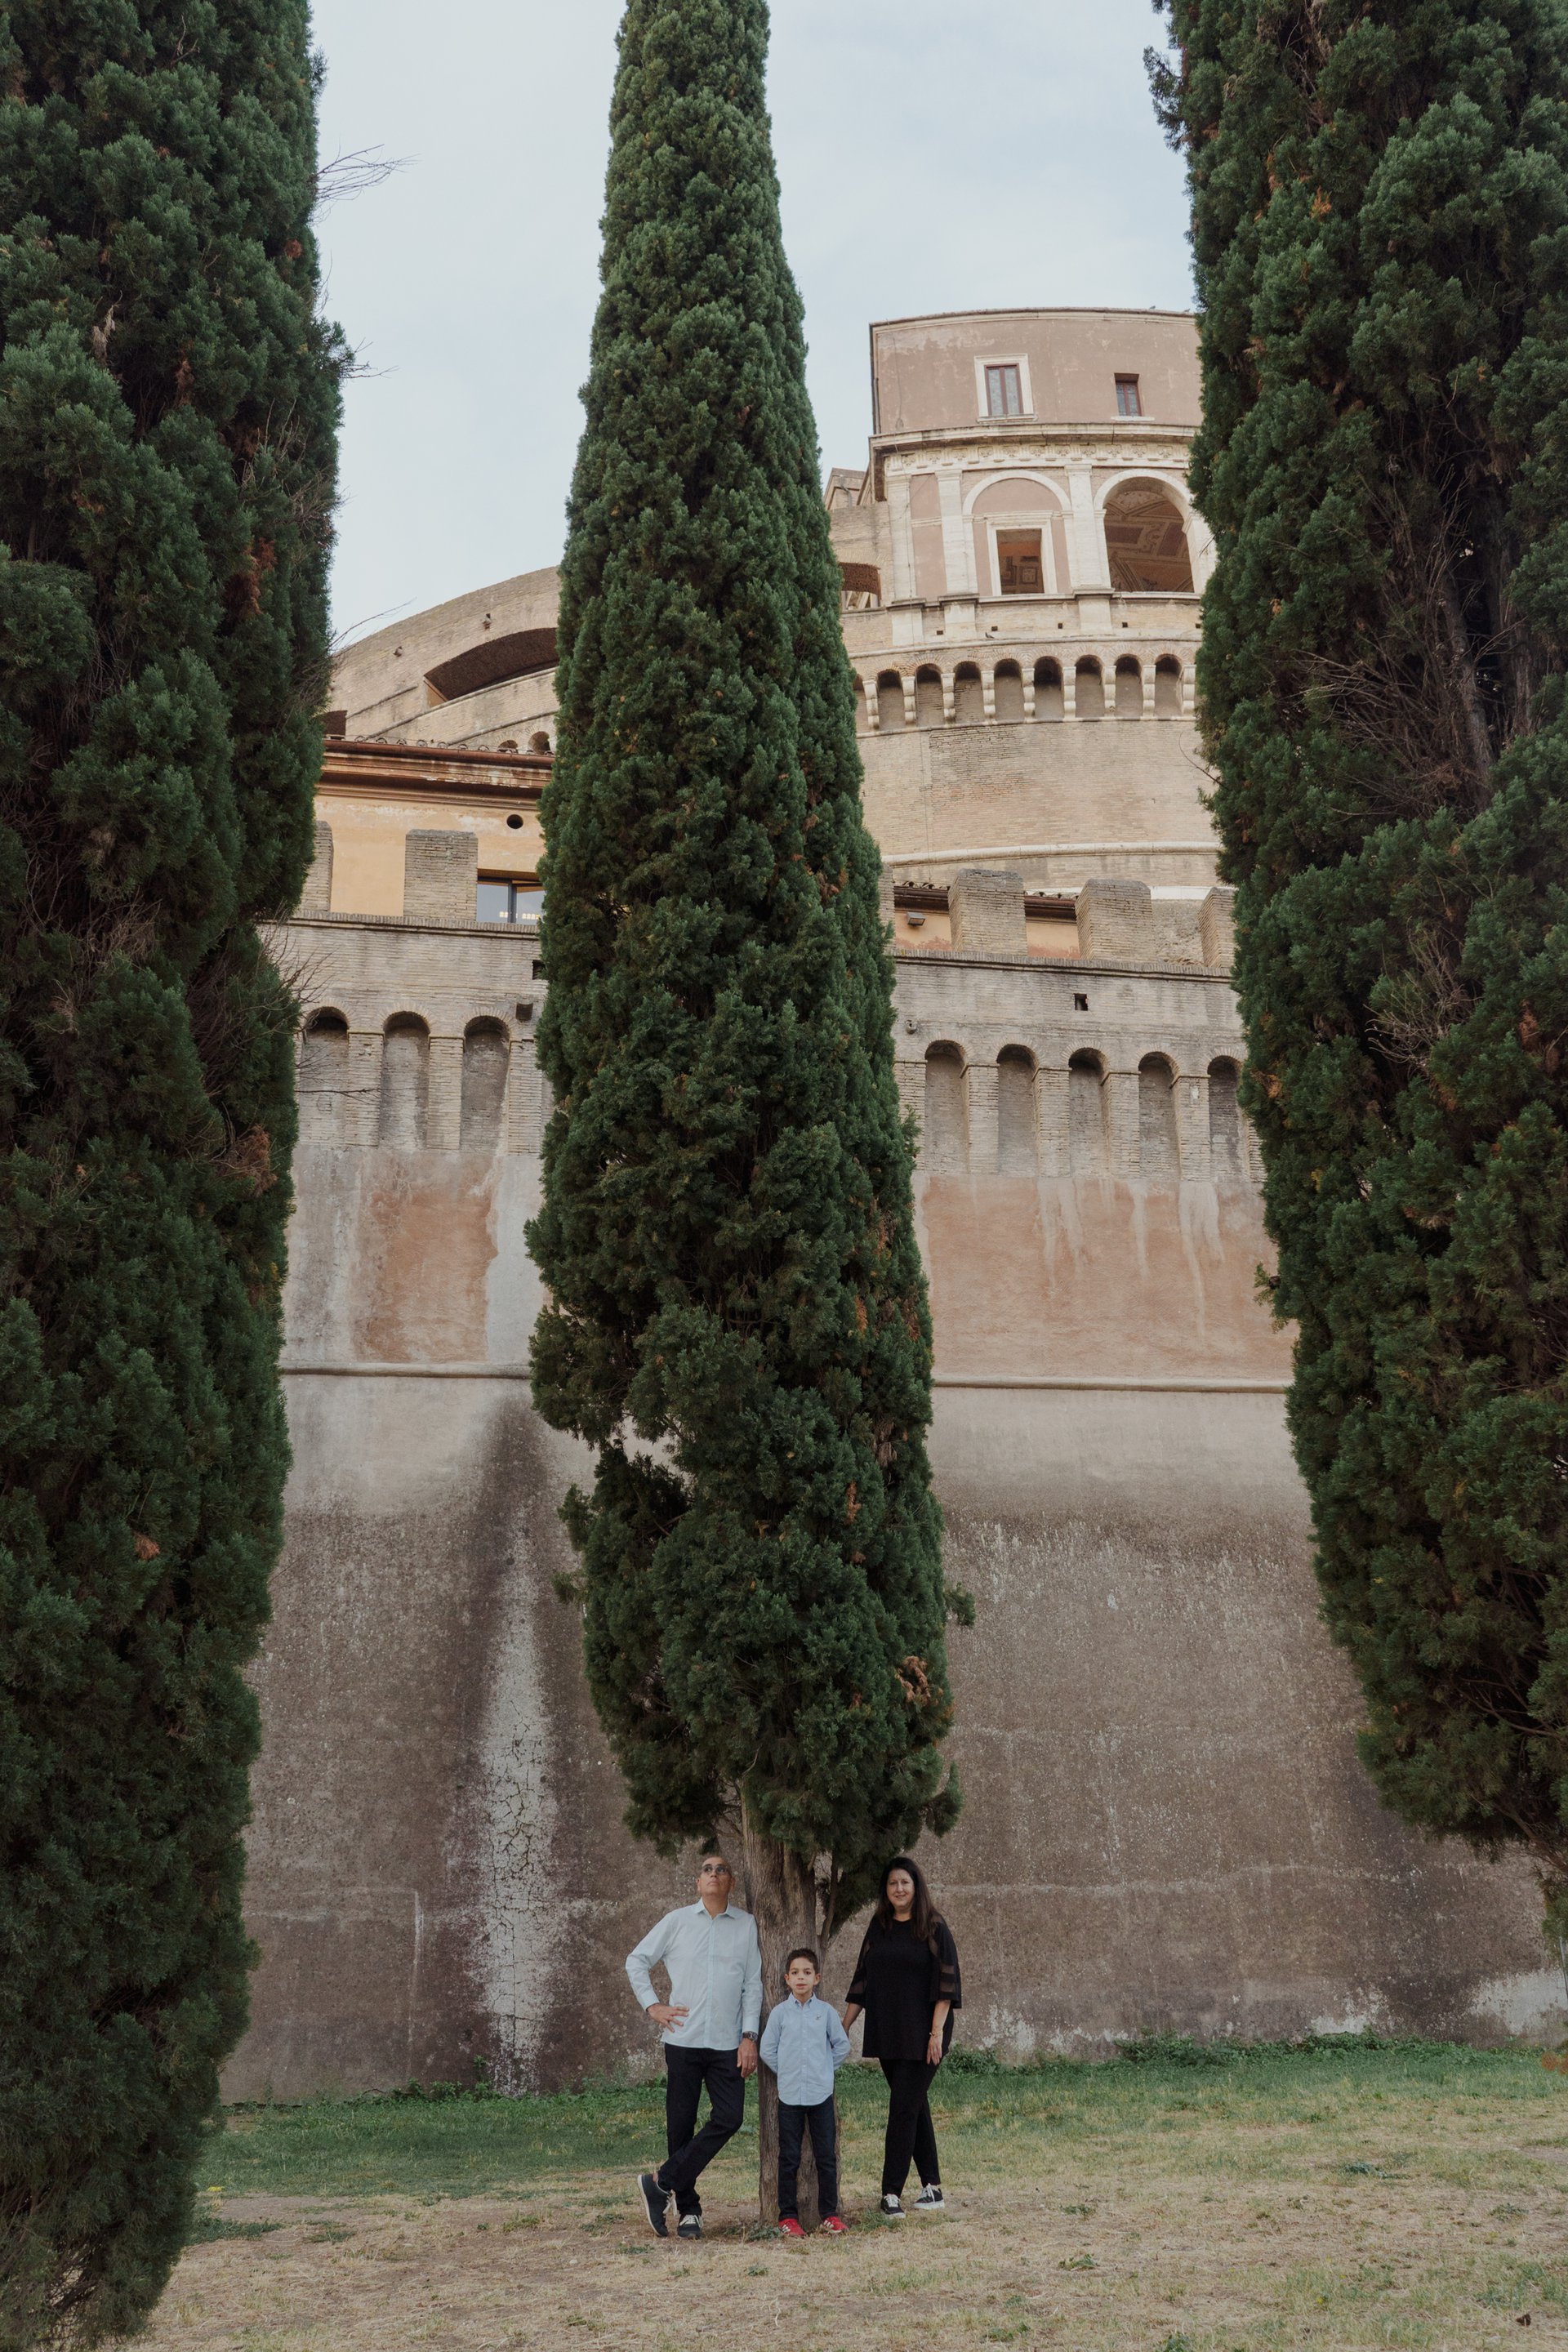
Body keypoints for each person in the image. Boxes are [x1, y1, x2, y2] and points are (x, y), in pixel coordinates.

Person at [626, 1852, 762, 2240]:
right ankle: (688, 2211)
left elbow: (753, 1984)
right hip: (683, 2040)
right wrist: (653, 2005)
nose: (714, 1874)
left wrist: (749, 2036)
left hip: (727, 2043)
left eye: (722, 1870)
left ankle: (660, 2181)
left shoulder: (746, 1926)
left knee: (730, 2117)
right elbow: (636, 1961)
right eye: (707, 1869)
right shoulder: (676, 1922)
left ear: (731, 1882)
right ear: (697, 1882)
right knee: (680, 2127)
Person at [841, 1855, 961, 2220]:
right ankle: (932, 2187)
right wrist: (841, 2027)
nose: (898, 1889)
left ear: (916, 1886)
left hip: (927, 2029)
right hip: (889, 2028)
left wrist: (936, 2033)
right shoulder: (879, 1926)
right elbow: (861, 1980)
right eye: (892, 1884)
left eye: (905, 1883)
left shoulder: (934, 1926)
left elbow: (947, 1983)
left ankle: (891, 2192)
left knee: (903, 2107)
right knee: (913, 2103)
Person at [759, 1948, 852, 2238]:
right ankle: (787, 2216)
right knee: (789, 2158)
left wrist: (823, 2070)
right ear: (787, 1979)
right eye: (796, 1973)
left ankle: (830, 2214)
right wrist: (787, 2072)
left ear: (817, 1978)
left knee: (826, 2157)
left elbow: (842, 2047)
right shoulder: (779, 2014)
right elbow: (767, 2050)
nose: (801, 1978)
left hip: (820, 2096)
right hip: (789, 2097)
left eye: (807, 1973)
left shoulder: (825, 2013)